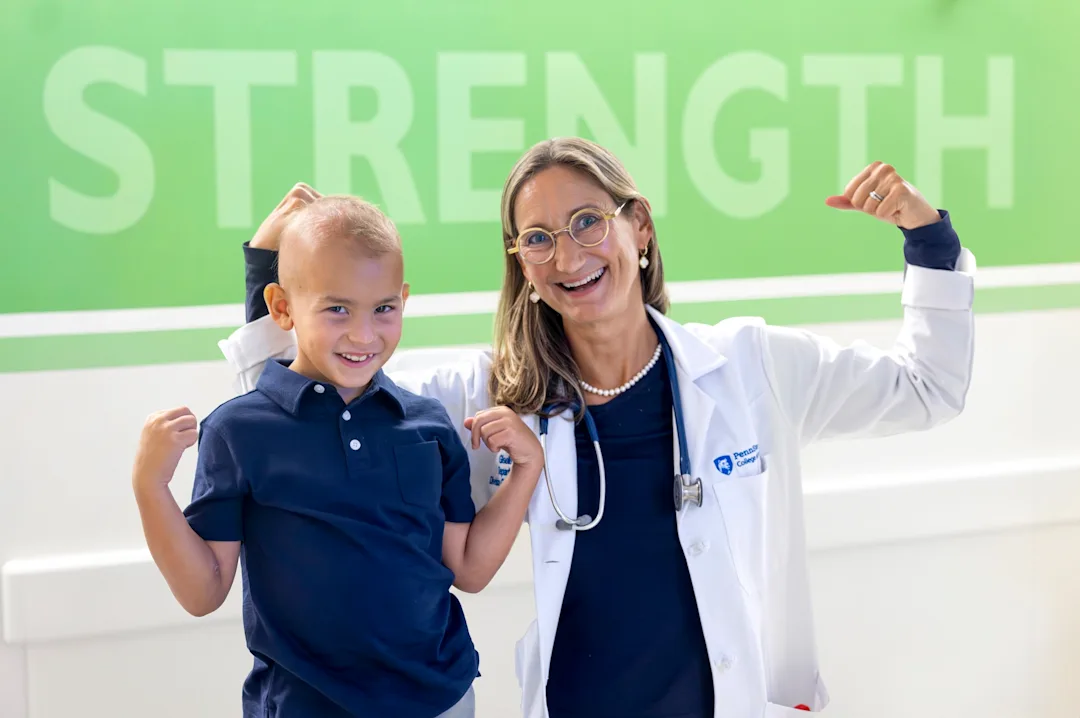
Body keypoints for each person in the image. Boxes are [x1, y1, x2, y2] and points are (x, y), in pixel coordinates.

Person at [220, 138, 975, 718]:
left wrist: (927, 241)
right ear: (521, 263)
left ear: (637, 227)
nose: (568, 254)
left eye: (588, 222)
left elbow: (928, 388)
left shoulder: (748, 365)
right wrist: (269, 279)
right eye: (538, 238)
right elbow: (303, 422)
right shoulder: (490, 396)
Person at [132, 196, 545, 718]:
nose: (363, 334)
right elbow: (203, 591)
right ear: (282, 307)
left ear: (404, 300)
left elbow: (468, 568)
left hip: (440, 702)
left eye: (383, 309)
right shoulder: (238, 431)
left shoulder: (429, 424)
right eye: (337, 309)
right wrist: (150, 487)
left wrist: (525, 471)